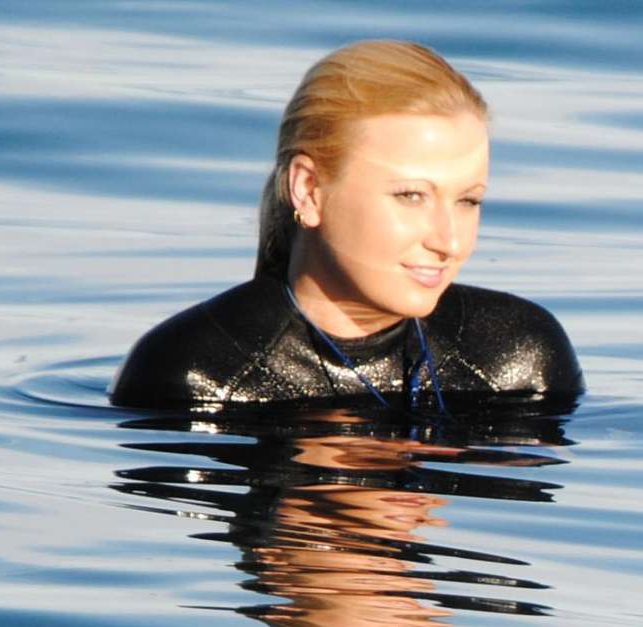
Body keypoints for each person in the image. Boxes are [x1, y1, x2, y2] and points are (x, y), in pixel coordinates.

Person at [111, 40, 583, 409]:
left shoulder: (517, 357)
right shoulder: (196, 373)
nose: (450, 241)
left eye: (468, 200)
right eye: (410, 196)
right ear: (309, 191)